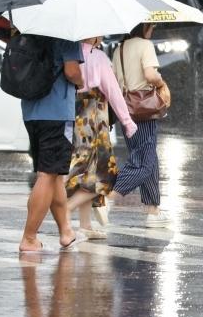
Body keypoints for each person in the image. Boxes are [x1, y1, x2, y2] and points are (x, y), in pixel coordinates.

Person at [65, 37, 137, 239]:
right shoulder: (98, 57)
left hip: (75, 117)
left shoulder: (69, 54)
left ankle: (85, 225)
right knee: (104, 175)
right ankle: (67, 209)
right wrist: (127, 122)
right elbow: (113, 92)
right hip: (95, 119)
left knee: (85, 173)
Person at [19, 37, 84, 252]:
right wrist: (81, 82)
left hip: (31, 112)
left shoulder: (29, 32)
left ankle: (65, 231)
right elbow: (72, 71)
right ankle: (29, 238)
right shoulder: (67, 35)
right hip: (56, 113)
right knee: (47, 175)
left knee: (53, 175)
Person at [109, 23, 171, 227]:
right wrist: (161, 83)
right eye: (151, 26)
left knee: (146, 155)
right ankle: (110, 197)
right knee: (144, 160)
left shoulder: (119, 49)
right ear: (143, 27)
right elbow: (150, 75)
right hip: (143, 108)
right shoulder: (145, 45)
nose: (152, 29)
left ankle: (153, 210)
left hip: (125, 108)